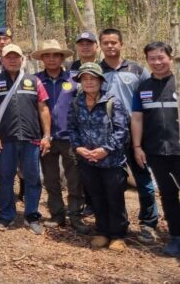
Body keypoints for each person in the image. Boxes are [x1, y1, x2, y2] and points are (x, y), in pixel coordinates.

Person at [0, 44, 51, 234]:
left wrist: (46, 135)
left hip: (31, 138)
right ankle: (6, 216)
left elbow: (43, 109)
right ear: (2, 60)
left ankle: (32, 216)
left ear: (22, 59)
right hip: (4, 139)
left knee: (33, 178)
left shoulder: (34, 81)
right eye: (9, 57)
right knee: (5, 178)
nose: (13, 60)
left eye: (16, 57)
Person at [99, 28, 158, 244]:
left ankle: (148, 224)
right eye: (106, 42)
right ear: (101, 45)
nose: (110, 46)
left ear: (121, 44)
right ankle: (114, 225)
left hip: (135, 135)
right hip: (107, 136)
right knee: (111, 184)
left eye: (114, 42)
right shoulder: (96, 71)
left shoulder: (137, 70)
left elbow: (147, 102)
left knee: (143, 179)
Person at [68, 62, 129, 251]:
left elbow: (121, 131)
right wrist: (79, 148)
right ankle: (102, 231)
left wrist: (105, 149)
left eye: (92, 78)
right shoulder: (76, 103)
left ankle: (118, 235)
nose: (89, 82)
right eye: (84, 79)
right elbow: (72, 129)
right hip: (88, 161)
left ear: (100, 80)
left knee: (115, 197)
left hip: (111, 161)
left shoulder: (112, 101)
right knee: (96, 198)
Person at [32, 40, 90, 234]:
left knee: (74, 179)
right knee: (50, 178)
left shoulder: (75, 79)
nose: (51, 59)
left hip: (70, 137)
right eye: (46, 55)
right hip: (45, 137)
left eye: (55, 55)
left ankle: (75, 215)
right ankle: (57, 215)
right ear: (41, 59)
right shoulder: (35, 80)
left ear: (62, 58)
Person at [131, 42, 180, 258]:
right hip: (156, 151)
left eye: (161, 57)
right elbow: (137, 118)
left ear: (171, 57)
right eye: (152, 58)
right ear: (147, 60)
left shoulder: (178, 84)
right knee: (168, 195)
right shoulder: (143, 87)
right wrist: (137, 146)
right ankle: (176, 236)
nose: (157, 62)